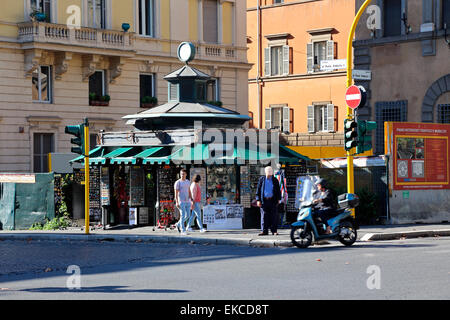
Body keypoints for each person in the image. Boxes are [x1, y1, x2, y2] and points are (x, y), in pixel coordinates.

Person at [255, 166, 282, 236]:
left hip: (273, 200)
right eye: (268, 171)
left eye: (271, 171)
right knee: (264, 216)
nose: (270, 172)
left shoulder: (275, 180)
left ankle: (274, 231)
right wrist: (258, 200)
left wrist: (279, 199)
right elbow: (258, 190)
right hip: (264, 200)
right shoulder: (262, 179)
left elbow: (278, 190)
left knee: (274, 216)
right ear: (265, 172)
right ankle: (264, 231)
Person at [174, 168, 193, 235]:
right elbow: (176, 193)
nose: (182, 175)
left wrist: (191, 199)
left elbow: (189, 191)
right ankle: (183, 230)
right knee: (182, 215)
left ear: (186, 174)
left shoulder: (188, 182)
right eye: (181, 174)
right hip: (181, 201)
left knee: (188, 215)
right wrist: (176, 201)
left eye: (183, 174)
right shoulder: (178, 182)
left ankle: (178, 224)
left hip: (187, 201)